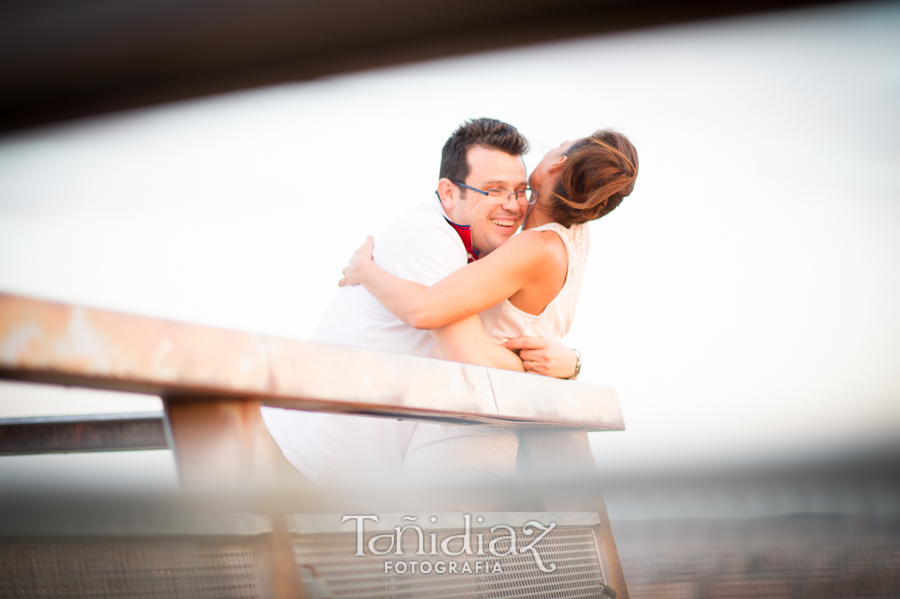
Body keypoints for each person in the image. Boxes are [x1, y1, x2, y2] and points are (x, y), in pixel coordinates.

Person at [260, 118, 576, 496]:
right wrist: (547, 367)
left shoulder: (483, 252)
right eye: (493, 191)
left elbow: (508, 332)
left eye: (519, 191)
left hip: (348, 473)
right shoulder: (429, 238)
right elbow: (470, 356)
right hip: (301, 458)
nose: (512, 206)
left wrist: (570, 360)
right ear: (448, 193)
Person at [338, 129, 639, 492]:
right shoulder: (574, 235)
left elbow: (425, 310)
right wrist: (570, 364)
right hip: (498, 429)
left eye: (558, 146)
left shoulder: (534, 247)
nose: (511, 201)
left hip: (466, 435)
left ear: (558, 162)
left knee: (428, 545)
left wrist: (364, 269)